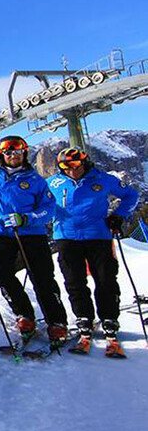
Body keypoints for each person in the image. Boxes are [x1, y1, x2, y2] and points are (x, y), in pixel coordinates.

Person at [0, 135, 67, 344]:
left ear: (24, 153)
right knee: (3, 276)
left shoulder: (35, 180)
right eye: (8, 152)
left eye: (17, 152)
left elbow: (48, 210)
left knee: (42, 278)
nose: (13, 156)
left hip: (31, 234)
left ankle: (57, 321)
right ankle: (24, 314)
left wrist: (27, 219)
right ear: (1, 154)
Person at [47, 147, 141, 357]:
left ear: (85, 162)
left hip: (98, 235)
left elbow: (131, 195)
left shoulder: (103, 179)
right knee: (74, 282)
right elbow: (39, 201)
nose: (72, 170)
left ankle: (109, 319)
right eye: (66, 167)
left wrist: (119, 216)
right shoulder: (53, 183)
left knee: (106, 279)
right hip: (66, 237)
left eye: (76, 165)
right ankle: (84, 319)